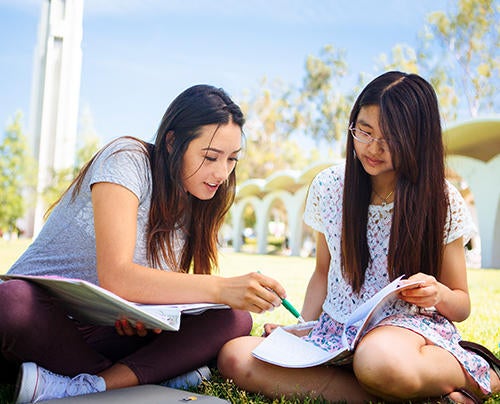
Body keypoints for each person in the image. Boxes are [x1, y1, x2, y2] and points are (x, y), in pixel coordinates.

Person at [217, 72, 500, 403]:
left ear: (417, 139)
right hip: (336, 333)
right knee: (235, 356)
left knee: (377, 359)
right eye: (364, 131)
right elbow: (323, 273)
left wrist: (437, 293)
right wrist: (301, 330)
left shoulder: (441, 199)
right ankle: (402, 396)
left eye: (390, 139)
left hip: (405, 335)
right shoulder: (329, 187)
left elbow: (461, 302)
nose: (373, 148)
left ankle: (481, 373)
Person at [0, 84, 288, 403]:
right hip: (44, 323)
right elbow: (118, 276)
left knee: (234, 318)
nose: (221, 173)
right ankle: (147, 379)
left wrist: (144, 320)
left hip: (102, 333)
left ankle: (90, 386)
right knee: (11, 302)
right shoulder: (127, 159)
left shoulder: (197, 201)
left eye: (232, 159)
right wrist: (221, 287)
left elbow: (160, 297)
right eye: (210, 157)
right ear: (172, 142)